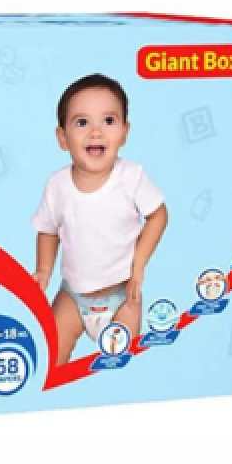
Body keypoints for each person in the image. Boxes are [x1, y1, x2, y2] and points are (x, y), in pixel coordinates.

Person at [31, 74, 168, 364]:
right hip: (72, 296)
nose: (96, 132)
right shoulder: (57, 185)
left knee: (123, 361)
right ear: (62, 138)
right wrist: (43, 269)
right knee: (51, 357)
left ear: (125, 132)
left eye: (108, 121)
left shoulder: (131, 177)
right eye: (82, 122)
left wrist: (138, 266)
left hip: (122, 295)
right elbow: (48, 230)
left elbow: (158, 216)